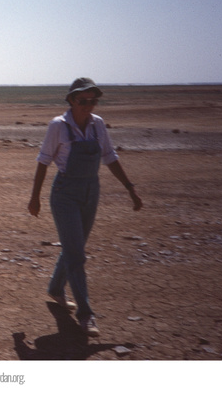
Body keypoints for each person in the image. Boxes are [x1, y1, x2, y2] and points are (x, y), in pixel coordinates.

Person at [28, 78, 142, 338]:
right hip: (65, 193)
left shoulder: (97, 124)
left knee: (74, 248)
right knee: (76, 254)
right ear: (71, 100)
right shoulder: (58, 126)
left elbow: (110, 157)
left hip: (91, 191)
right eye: (83, 101)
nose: (88, 106)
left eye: (93, 101)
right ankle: (86, 314)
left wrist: (130, 187)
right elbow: (43, 162)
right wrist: (34, 198)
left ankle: (55, 288)